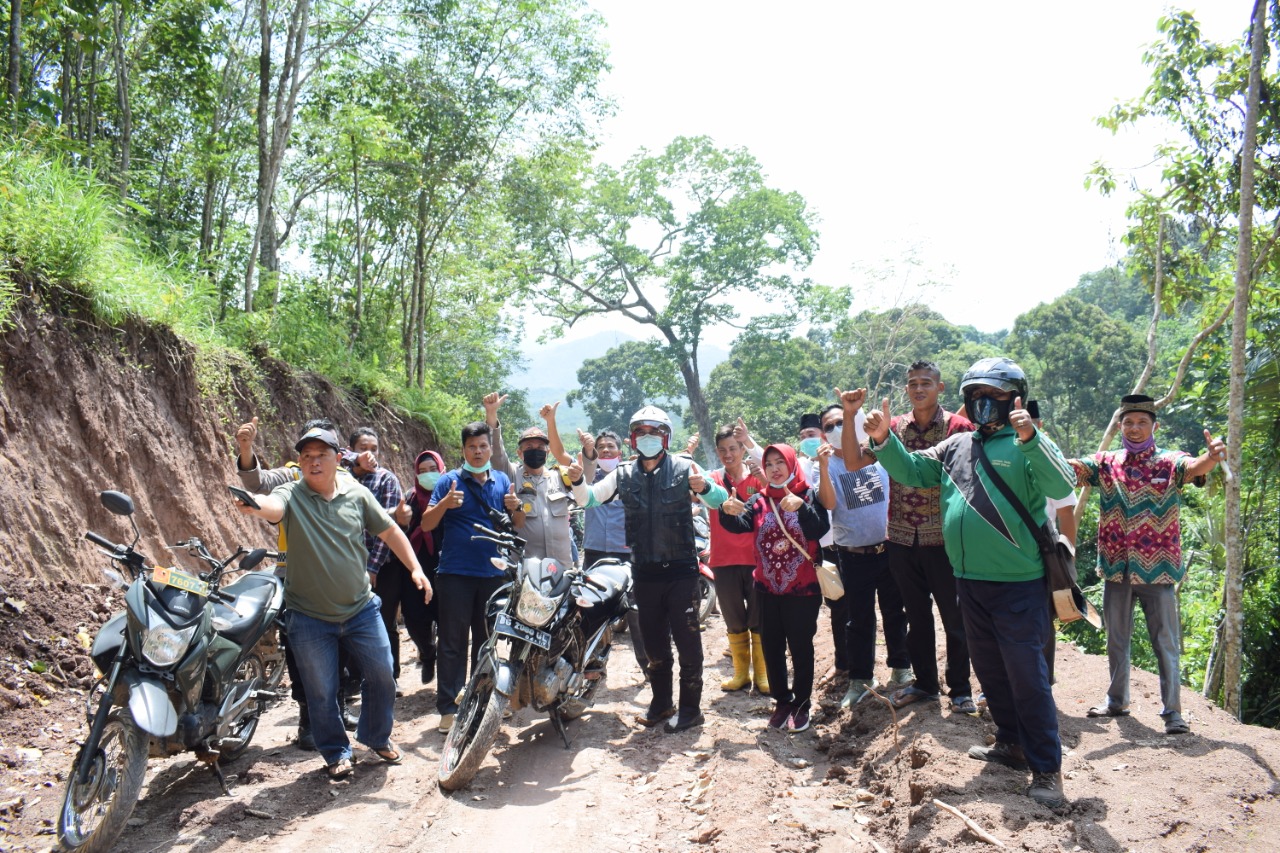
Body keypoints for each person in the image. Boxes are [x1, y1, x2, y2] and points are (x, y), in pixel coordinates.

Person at [863, 356, 1076, 809]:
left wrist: (1030, 437)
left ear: (1015, 398)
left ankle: (1046, 770)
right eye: (976, 396)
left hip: (1020, 584)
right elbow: (913, 470)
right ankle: (1010, 743)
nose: (984, 405)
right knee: (992, 670)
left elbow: (1063, 483)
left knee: (1028, 678)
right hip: (969, 582)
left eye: (994, 397)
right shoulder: (958, 445)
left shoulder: (1027, 444)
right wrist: (883, 440)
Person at [234, 426, 432, 779]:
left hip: (359, 608)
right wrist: (254, 506)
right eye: (306, 456)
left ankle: (375, 736)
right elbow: (271, 505)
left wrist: (416, 569)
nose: (313, 462)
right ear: (299, 461)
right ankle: (337, 752)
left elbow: (389, 530)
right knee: (322, 691)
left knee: (383, 675)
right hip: (308, 615)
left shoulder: (356, 494)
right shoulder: (291, 494)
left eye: (321, 455)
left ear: (338, 459)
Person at [1068, 394, 1226, 735]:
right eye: (1128, 422)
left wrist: (1211, 458)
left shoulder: (1169, 462)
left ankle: (1173, 713)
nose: (1135, 428)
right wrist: (1033, 442)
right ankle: (1116, 700)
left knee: (1165, 642)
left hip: (1159, 571)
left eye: (1142, 422)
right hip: (1116, 570)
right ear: (1120, 426)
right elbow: (1072, 470)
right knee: (1116, 639)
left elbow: (1195, 467)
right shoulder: (1107, 462)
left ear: (1154, 426)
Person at [572, 406, 728, 733]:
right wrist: (575, 481)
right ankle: (661, 704)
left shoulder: (686, 467)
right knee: (654, 642)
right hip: (643, 571)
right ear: (632, 438)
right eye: (641, 432)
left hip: (683, 570)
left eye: (654, 432)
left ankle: (690, 709)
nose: (648, 438)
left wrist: (704, 488)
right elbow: (588, 500)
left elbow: (720, 501)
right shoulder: (623, 474)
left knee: (687, 641)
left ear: (666, 436)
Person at [839, 363, 977, 714]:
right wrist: (851, 414)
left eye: (926, 383)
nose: (919, 389)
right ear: (906, 389)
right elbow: (853, 463)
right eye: (913, 384)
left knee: (954, 616)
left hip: (945, 540)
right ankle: (926, 684)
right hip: (900, 539)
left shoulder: (959, 428)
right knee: (915, 617)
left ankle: (960, 688)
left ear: (940, 388)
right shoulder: (894, 427)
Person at [720, 443, 831, 731]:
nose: (774, 468)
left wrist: (803, 509)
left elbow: (820, 530)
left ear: (792, 465)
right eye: (769, 464)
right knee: (771, 647)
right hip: (767, 589)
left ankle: (802, 704)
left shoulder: (808, 495)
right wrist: (727, 510)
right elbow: (739, 524)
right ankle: (782, 701)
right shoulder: (758, 501)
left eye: (780, 462)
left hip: (803, 590)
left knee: (800, 647)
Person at [818, 403, 912, 709]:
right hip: (853, 555)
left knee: (895, 612)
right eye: (830, 425)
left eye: (841, 422)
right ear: (823, 433)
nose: (837, 429)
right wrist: (821, 467)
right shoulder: (826, 464)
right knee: (857, 620)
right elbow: (829, 504)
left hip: (889, 549)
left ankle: (901, 669)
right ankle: (861, 679)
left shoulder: (876, 453)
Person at [420, 421, 512, 733]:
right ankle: (449, 707)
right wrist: (446, 503)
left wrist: (516, 508)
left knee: (487, 642)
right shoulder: (448, 481)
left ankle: (482, 698)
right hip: (455, 573)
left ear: (490, 448)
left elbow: (517, 523)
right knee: (452, 642)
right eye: (471, 447)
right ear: (463, 450)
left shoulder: (501, 480)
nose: (477, 451)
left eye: (483, 446)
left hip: (493, 574)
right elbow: (427, 524)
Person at [483, 393, 582, 568]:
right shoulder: (512, 474)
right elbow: (497, 452)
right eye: (528, 447)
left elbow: (585, 485)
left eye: (540, 447)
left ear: (548, 452)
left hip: (562, 567)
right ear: (519, 453)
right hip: (526, 568)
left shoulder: (561, 477)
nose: (535, 450)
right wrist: (491, 414)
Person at [578, 428, 648, 673]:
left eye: (611, 446)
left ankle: (648, 665)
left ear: (620, 451)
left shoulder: (632, 476)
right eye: (601, 447)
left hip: (625, 552)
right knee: (591, 610)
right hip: (594, 551)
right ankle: (592, 665)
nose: (606, 450)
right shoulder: (588, 478)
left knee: (634, 610)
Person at [707, 423, 768, 693]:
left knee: (760, 618)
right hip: (724, 560)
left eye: (733, 448)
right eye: (722, 450)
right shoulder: (712, 480)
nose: (728, 454)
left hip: (757, 560)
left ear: (743, 448)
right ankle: (741, 674)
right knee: (734, 620)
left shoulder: (758, 477)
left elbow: (779, 494)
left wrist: (765, 480)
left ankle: (763, 676)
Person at [347, 428, 408, 696]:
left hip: (383, 566)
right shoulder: (341, 479)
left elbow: (388, 527)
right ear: (351, 452)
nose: (370, 453)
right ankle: (354, 679)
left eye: (374, 448)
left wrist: (372, 566)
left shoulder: (387, 480)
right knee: (348, 621)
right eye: (363, 447)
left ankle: (389, 677)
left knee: (383, 620)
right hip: (347, 564)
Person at [381, 449, 444, 687]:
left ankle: (448, 685)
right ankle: (428, 654)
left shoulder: (451, 496)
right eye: (423, 471)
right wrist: (402, 521)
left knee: (448, 623)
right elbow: (397, 533)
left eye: (433, 470)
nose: (428, 475)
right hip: (414, 571)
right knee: (415, 623)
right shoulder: (409, 499)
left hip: (446, 569)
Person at [796, 413, 846, 676]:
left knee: (852, 609)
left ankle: (853, 664)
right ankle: (840, 664)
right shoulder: (804, 467)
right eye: (803, 437)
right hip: (821, 549)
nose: (808, 441)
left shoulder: (844, 460)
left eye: (812, 435)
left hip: (848, 545)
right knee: (833, 606)